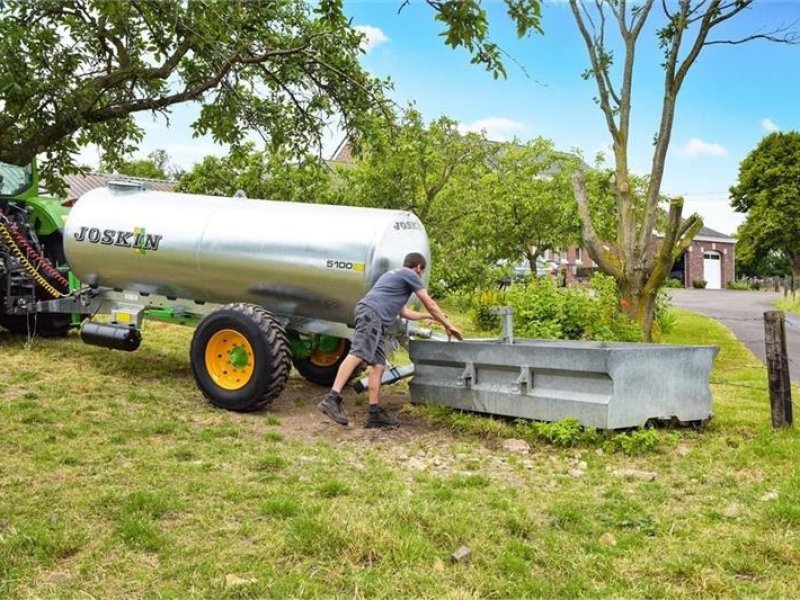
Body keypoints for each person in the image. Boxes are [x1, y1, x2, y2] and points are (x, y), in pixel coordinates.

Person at [317, 251, 463, 428]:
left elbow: (404, 312)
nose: (421, 276)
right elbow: (430, 303)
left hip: (374, 318)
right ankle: (331, 398)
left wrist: (429, 318)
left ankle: (373, 413)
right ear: (418, 267)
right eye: (422, 272)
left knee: (378, 365)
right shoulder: (410, 274)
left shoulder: (394, 277)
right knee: (358, 353)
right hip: (372, 315)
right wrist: (448, 324)